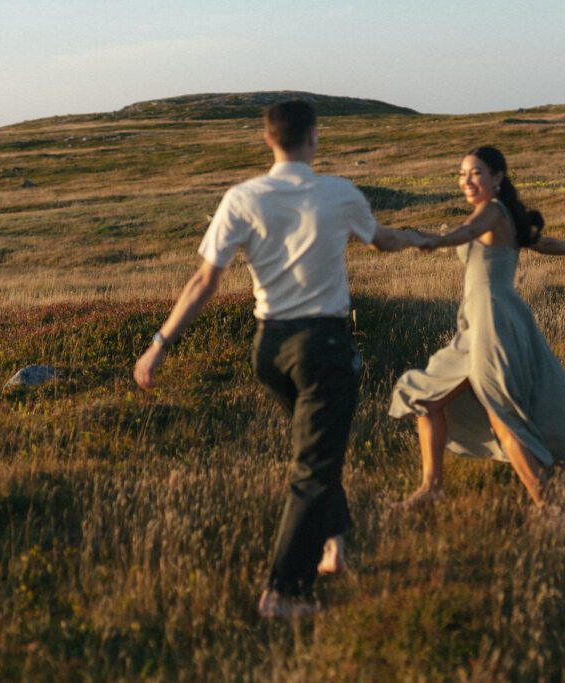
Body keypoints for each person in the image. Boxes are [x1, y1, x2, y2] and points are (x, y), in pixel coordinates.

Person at [134, 99, 424, 618]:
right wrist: (421, 240)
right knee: (315, 464)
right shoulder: (339, 193)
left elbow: (205, 281)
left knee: (318, 449)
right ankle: (282, 592)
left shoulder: (242, 197)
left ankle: (333, 544)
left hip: (268, 349)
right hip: (323, 348)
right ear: (314, 136)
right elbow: (382, 241)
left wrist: (159, 344)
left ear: (268, 139)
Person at [389, 146, 565, 508]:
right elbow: (543, 242)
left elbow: (466, 233)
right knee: (424, 397)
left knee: (501, 414)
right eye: (462, 174)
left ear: (497, 178)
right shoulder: (500, 215)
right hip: (475, 325)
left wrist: (437, 241)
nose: (467, 181)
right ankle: (432, 488)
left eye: (476, 173)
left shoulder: (491, 212)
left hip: (495, 322)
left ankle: (549, 506)